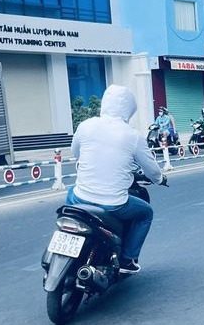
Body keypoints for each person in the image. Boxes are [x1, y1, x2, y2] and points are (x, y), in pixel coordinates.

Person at [68, 84, 166, 274]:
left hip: (79, 197)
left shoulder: (85, 125)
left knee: (71, 195)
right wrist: (160, 179)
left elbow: (75, 152)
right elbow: (152, 171)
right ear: (129, 110)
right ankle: (128, 260)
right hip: (114, 203)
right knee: (146, 213)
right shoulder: (133, 136)